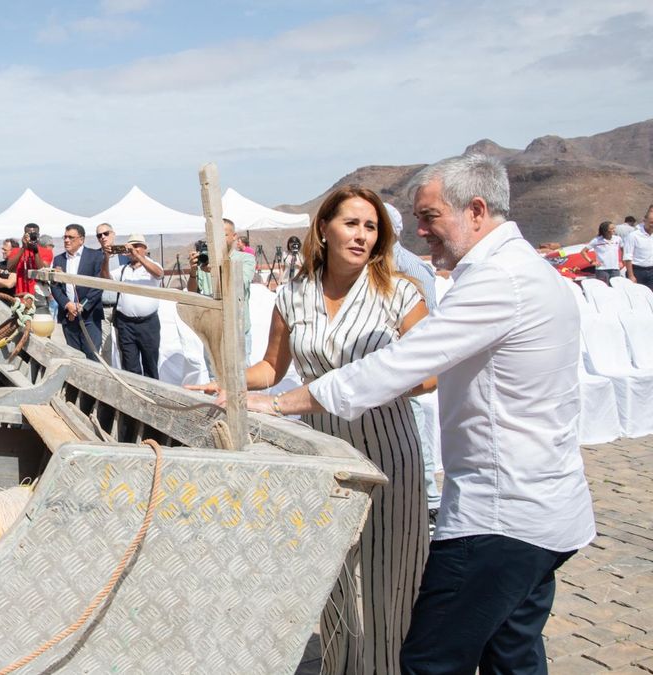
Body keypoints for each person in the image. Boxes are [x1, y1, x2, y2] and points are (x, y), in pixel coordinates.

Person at [244, 155, 595, 674]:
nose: (420, 231)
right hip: (540, 509)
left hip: (499, 518)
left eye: (428, 217)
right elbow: (276, 364)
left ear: (475, 211)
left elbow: (402, 365)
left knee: (430, 658)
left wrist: (279, 404)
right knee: (512, 655)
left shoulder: (498, 281)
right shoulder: (518, 272)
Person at [191, 186, 434, 674]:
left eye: (371, 227)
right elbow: (272, 367)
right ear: (323, 228)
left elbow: (428, 376)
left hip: (389, 454)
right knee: (333, 577)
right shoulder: (294, 293)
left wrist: (361, 385)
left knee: (394, 581)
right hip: (323, 456)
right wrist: (228, 384)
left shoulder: (400, 292)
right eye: (352, 223)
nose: (362, 235)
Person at [385, 203, 441, 532]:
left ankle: (430, 501)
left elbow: (428, 318)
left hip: (405, 369)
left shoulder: (410, 268)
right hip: (383, 365)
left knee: (414, 432)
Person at [188, 218, 261, 364]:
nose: (218, 239)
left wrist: (216, 271)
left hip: (237, 331)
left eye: (223, 234)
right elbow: (192, 291)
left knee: (242, 379)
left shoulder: (245, 259)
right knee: (214, 379)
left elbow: (241, 282)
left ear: (234, 236)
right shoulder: (205, 260)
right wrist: (193, 271)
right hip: (212, 332)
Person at [109, 234, 163, 378]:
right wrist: (106, 258)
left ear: (145, 248)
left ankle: (152, 396)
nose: (134, 249)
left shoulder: (152, 265)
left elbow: (159, 274)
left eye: (137, 246)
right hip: (126, 323)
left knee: (150, 364)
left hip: (147, 324)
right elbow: (105, 277)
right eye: (131, 247)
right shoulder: (123, 269)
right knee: (130, 365)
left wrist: (138, 257)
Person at [51, 224, 104, 360]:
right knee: (74, 357)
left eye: (71, 237)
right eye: (65, 237)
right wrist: (67, 304)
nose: (66, 240)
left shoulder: (95, 256)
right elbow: (55, 287)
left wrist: (83, 305)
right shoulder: (58, 260)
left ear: (81, 239)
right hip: (68, 316)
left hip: (90, 316)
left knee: (92, 356)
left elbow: (98, 284)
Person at [96, 223, 126, 364]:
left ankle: (127, 378)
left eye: (106, 233)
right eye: (99, 235)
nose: (102, 237)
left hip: (121, 307)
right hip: (102, 308)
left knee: (124, 346)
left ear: (113, 234)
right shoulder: (95, 257)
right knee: (105, 349)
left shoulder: (125, 257)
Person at [6, 223, 53, 299]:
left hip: (39, 297)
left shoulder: (46, 252)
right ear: (24, 235)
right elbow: (9, 268)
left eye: (34, 234)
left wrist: (35, 251)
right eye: (29, 234)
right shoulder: (16, 251)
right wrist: (23, 247)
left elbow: (43, 271)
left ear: (38, 235)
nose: (32, 236)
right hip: (21, 296)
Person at [623, 205, 653, 292]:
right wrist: (631, 275)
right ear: (644, 220)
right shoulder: (633, 235)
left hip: (651, 271)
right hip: (637, 271)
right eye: (651, 222)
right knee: (638, 296)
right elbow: (627, 257)